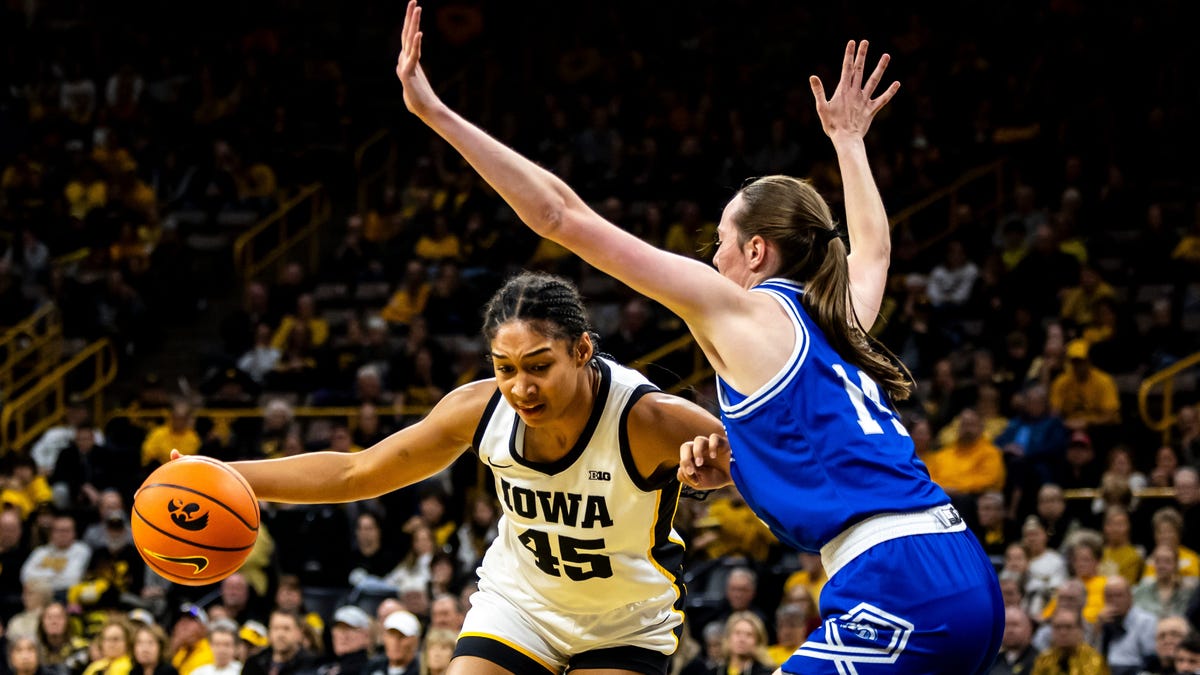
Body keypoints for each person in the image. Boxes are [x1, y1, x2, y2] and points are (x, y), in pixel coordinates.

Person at [391, 4, 1002, 672]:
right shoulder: (840, 313)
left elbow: (559, 214)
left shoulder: (739, 312)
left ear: (757, 251)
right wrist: (849, 144)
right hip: (957, 566)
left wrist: (435, 113)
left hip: (899, 583)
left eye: (721, 241)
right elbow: (874, 250)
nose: (713, 258)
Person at [215, 267, 725, 675]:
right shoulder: (479, 410)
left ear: (582, 350)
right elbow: (355, 471)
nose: (521, 387)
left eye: (539, 366)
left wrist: (721, 474)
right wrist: (221, 474)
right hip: (520, 604)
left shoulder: (646, 420)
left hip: (624, 621)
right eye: (505, 368)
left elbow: (757, 468)